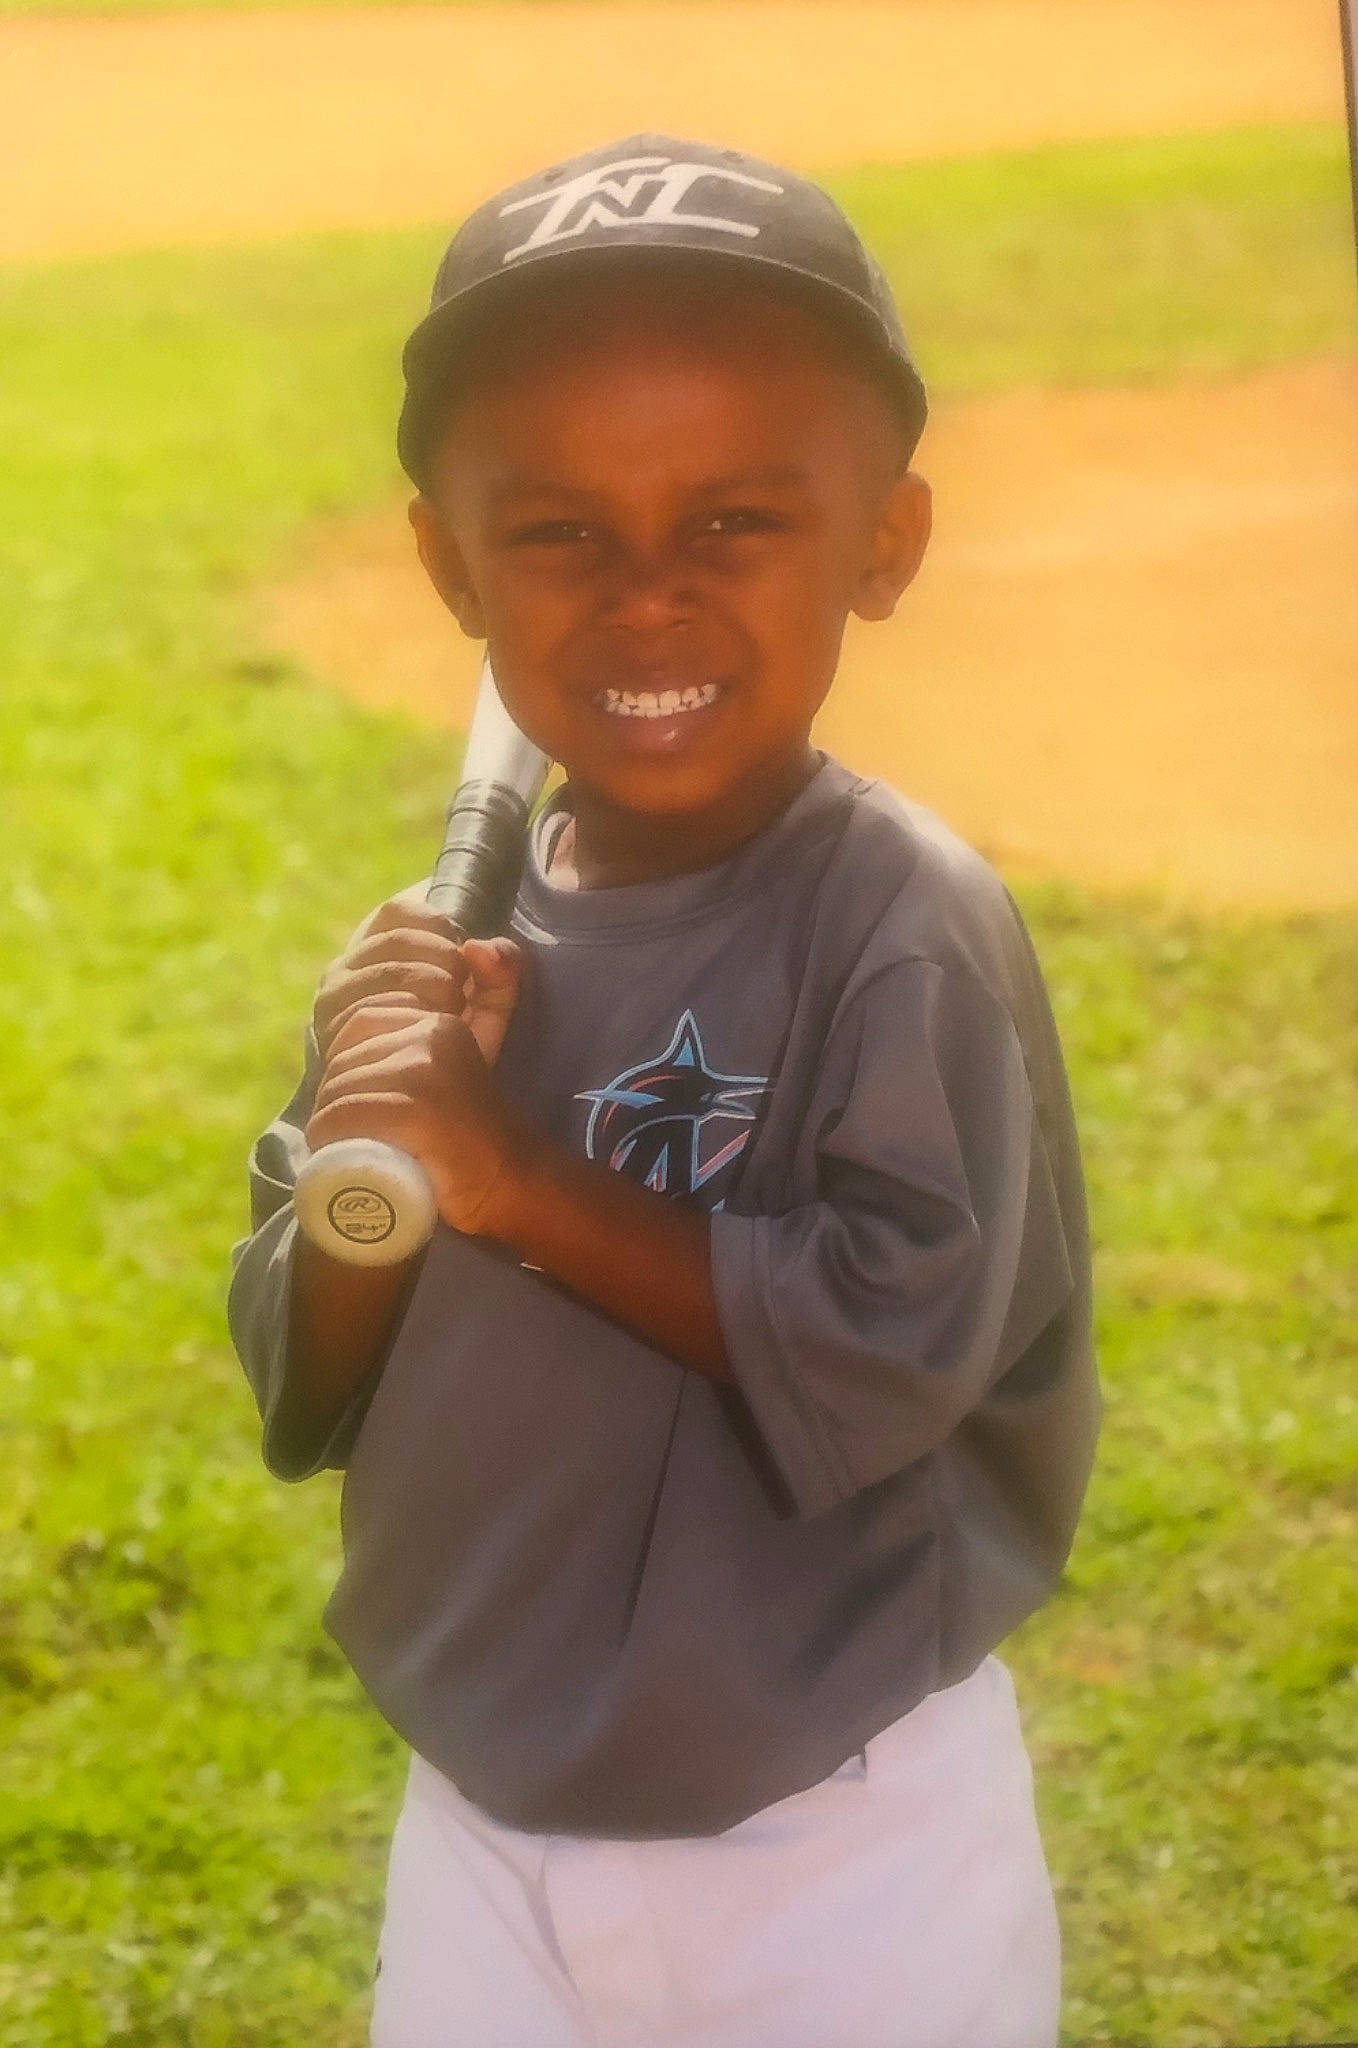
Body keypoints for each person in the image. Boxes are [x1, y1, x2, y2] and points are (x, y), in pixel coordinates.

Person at [228, 134, 1100, 2048]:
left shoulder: (902, 926)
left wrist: (515, 1176)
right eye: (557, 535)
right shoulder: (428, 959)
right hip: (485, 1816)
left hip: (834, 1837)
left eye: (730, 523)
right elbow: (314, 1372)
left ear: (883, 539)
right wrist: (381, 1159)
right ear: (452, 564)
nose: (646, 601)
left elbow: (885, 1349)